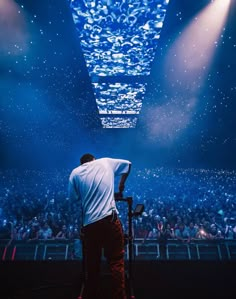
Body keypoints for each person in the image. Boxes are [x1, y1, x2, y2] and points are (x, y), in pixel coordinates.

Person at [68, 153, 131, 299]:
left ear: (81, 163)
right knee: (116, 261)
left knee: (92, 263)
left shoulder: (75, 173)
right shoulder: (105, 162)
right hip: (109, 220)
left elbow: (73, 198)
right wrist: (121, 184)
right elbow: (128, 164)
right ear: (94, 160)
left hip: (90, 224)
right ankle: (119, 296)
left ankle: (92, 294)